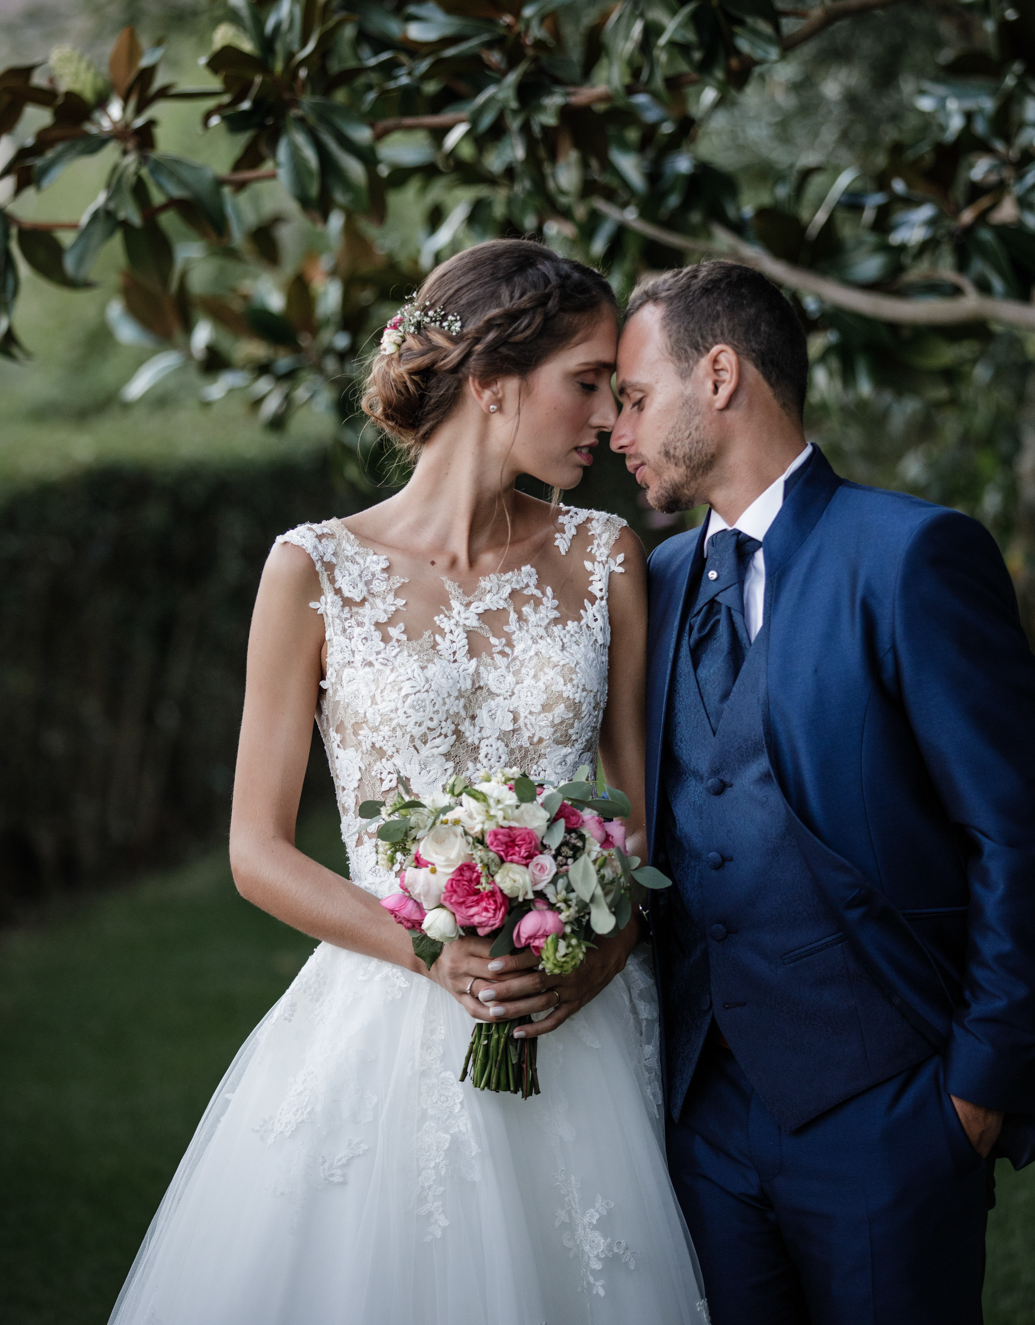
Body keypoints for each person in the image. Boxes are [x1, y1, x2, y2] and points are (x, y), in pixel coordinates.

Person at [108, 239, 706, 1325]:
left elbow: (637, 826)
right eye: (585, 384)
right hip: (384, 1012)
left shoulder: (605, 558)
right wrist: (435, 955)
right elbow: (257, 850)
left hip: (572, 1019)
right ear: (490, 382)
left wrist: (599, 953)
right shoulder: (311, 571)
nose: (608, 422)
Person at [610, 259, 1035, 1325]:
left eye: (636, 397)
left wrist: (973, 1092)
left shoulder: (911, 554)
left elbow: (1019, 838)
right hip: (701, 1116)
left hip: (891, 1112)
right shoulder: (646, 584)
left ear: (722, 376)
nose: (616, 429)